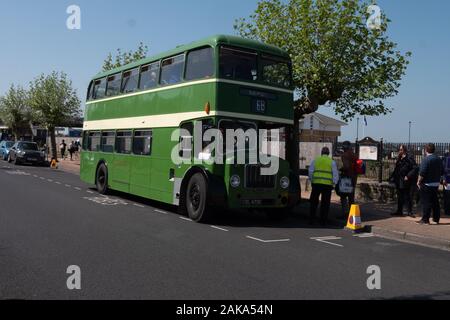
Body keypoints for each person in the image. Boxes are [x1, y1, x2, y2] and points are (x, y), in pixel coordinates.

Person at [308, 147, 340, 226]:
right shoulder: (332, 162)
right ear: (328, 153)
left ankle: (312, 219)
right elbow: (335, 174)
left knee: (313, 203)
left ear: (321, 153)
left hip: (316, 184)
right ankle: (323, 221)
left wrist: (312, 181)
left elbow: (310, 171)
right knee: (325, 204)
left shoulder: (315, 160)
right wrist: (334, 183)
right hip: (327, 186)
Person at [416, 143, 445, 225]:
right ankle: (436, 218)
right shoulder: (438, 159)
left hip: (427, 184)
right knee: (435, 202)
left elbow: (422, 172)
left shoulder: (426, 159)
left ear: (426, 150)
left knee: (426, 202)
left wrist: (418, 182)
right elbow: (442, 171)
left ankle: (425, 219)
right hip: (436, 183)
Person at [389, 145, 418, 217]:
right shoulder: (399, 158)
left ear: (404, 150)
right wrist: (391, 177)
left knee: (407, 196)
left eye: (401, 149)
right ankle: (399, 211)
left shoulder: (409, 158)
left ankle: (409, 212)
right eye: (399, 150)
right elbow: (396, 168)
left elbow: (415, 168)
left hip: (406, 180)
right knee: (399, 196)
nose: (400, 151)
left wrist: (408, 176)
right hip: (398, 180)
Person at [337, 141, 358, 219]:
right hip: (354, 177)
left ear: (344, 147)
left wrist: (341, 169)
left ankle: (345, 214)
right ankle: (352, 214)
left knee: (343, 196)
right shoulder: (355, 155)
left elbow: (346, 166)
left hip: (347, 178)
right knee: (351, 197)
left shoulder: (345, 155)